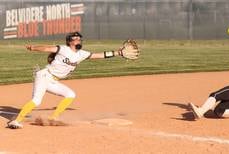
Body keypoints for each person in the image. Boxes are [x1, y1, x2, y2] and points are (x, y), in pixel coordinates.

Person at [7, 32, 138, 129]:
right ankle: (15, 121)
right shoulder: (63, 49)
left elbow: (100, 55)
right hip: (44, 76)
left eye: (79, 38)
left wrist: (119, 53)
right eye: (75, 39)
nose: (78, 40)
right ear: (70, 42)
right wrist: (34, 47)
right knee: (36, 101)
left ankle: (53, 117)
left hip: (53, 80)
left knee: (70, 94)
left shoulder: (82, 54)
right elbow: (47, 48)